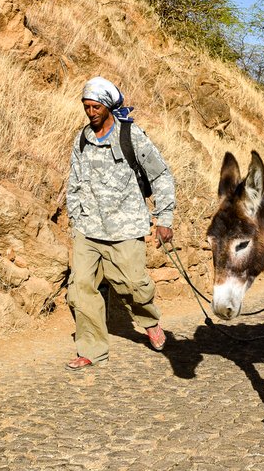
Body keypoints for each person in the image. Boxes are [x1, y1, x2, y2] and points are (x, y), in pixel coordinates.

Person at [64, 76, 176, 370]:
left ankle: (149, 321)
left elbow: (161, 175)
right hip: (88, 228)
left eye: (96, 107)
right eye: (87, 107)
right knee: (80, 288)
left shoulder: (131, 135)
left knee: (133, 285)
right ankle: (92, 350)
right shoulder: (82, 139)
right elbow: (74, 181)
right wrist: (75, 216)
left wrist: (164, 218)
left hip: (125, 227)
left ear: (108, 106)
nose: (91, 112)